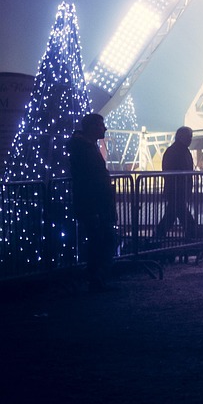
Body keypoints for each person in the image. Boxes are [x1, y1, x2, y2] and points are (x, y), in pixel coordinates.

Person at [68, 113, 116, 291]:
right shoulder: (85, 150)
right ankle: (97, 280)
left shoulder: (86, 148)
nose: (104, 128)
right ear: (91, 127)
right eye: (101, 125)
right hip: (95, 205)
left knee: (100, 242)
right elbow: (90, 181)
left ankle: (96, 279)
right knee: (102, 242)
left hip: (95, 205)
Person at [156, 127, 200, 242]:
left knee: (172, 214)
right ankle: (193, 235)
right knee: (179, 214)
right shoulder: (181, 151)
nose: (190, 139)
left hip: (176, 189)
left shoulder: (174, 150)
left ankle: (158, 235)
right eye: (189, 136)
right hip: (177, 190)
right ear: (181, 137)